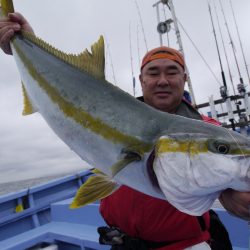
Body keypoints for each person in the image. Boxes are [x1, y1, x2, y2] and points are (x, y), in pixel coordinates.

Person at [1, 12, 250, 250]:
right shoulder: (110, 110)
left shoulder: (209, 130)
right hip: (122, 244)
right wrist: (24, 41)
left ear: (184, 79)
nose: (162, 80)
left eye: (172, 72)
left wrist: (230, 194)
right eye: (153, 72)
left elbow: (220, 168)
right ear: (142, 81)